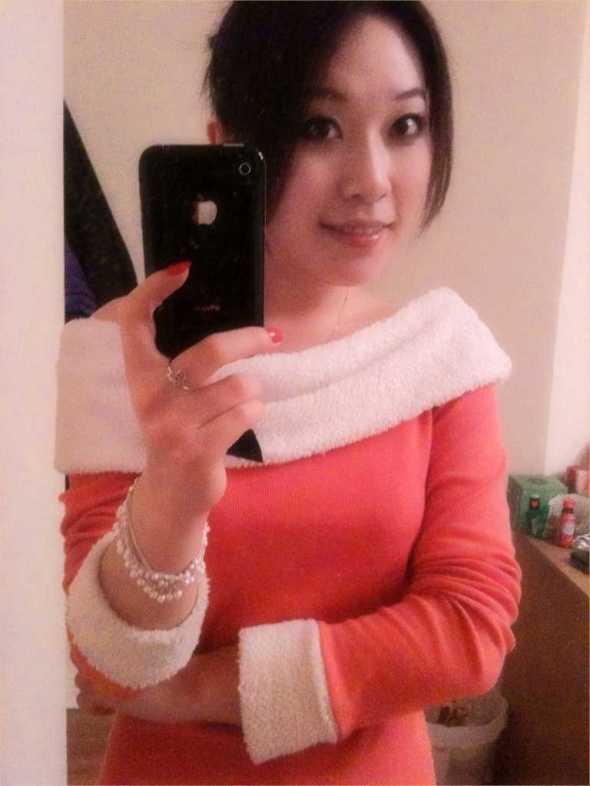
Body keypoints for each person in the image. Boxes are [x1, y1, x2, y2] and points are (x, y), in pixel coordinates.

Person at [56, 3, 521, 784]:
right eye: (318, 126)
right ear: (227, 146)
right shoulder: (125, 354)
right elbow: (109, 666)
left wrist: (198, 689)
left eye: (405, 126)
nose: (371, 180)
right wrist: (170, 496)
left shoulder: (436, 359)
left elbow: (469, 631)